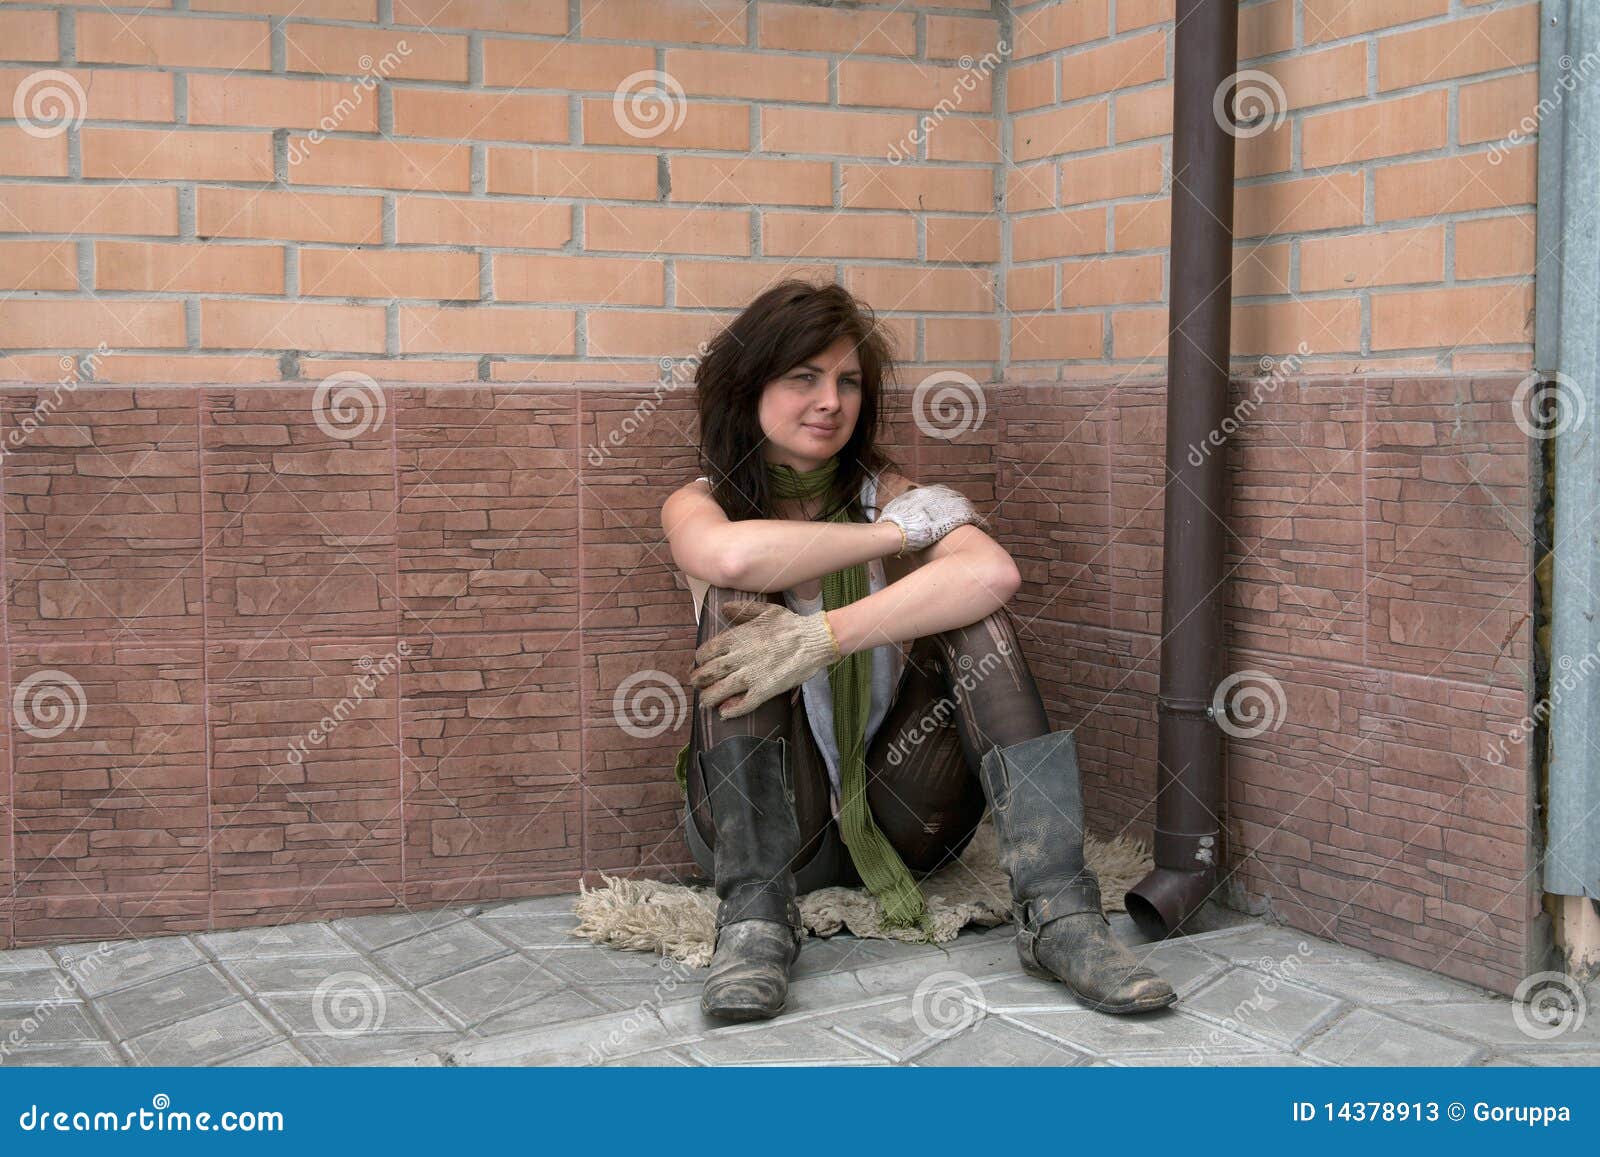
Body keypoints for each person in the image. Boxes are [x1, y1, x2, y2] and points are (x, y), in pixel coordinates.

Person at [659, 280, 1176, 1023]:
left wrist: (823, 637)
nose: (830, 401)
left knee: (976, 616)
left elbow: (992, 572)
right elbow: (733, 559)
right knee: (744, 617)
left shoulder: (891, 490)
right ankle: (753, 921)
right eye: (802, 377)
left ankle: (1060, 915)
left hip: (903, 811)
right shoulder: (703, 499)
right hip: (766, 825)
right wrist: (895, 536)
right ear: (749, 388)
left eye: (847, 382)